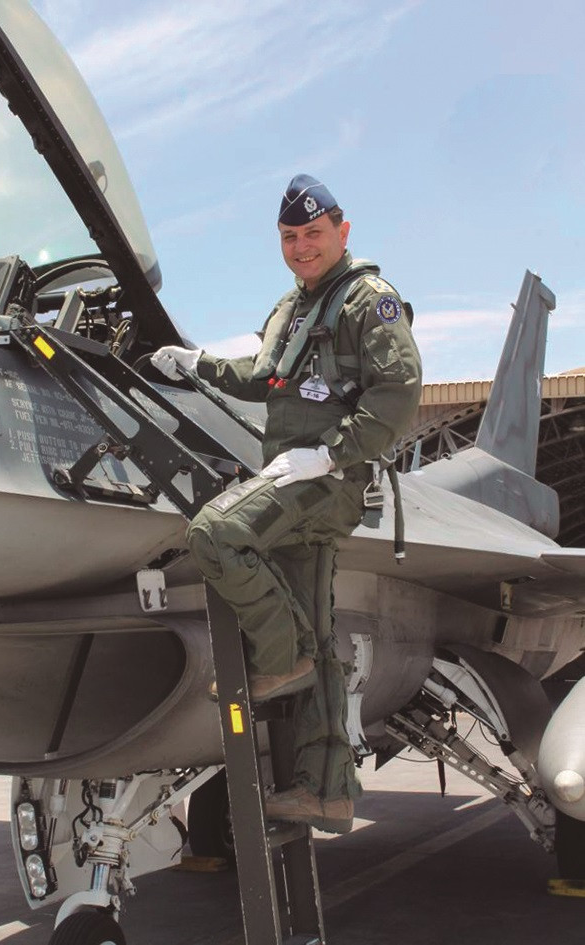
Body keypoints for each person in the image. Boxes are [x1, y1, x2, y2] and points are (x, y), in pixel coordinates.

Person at [151, 174, 422, 833]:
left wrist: (331, 453)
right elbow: (261, 375)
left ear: (342, 231)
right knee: (323, 640)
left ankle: (278, 656)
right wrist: (197, 364)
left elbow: (401, 392)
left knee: (215, 532)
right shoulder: (294, 308)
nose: (302, 246)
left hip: (323, 477)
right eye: (290, 236)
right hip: (292, 470)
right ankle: (325, 789)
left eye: (314, 233)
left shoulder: (367, 300)